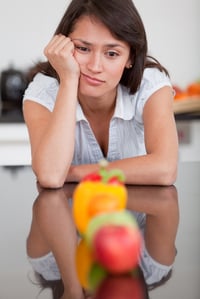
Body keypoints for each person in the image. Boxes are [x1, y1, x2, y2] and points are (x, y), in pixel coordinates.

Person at [23, 0, 179, 188]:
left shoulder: (150, 85)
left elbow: (165, 169)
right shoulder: (43, 92)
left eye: (112, 53)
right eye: (83, 48)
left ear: (130, 57)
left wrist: (74, 172)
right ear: (62, 46)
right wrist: (69, 80)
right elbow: (51, 176)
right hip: (72, 215)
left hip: (134, 214)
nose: (95, 67)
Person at [26, 183, 179, 299]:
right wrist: (80, 191)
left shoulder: (49, 264)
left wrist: (72, 287)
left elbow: (49, 201)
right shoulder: (152, 265)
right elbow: (166, 200)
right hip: (129, 157)